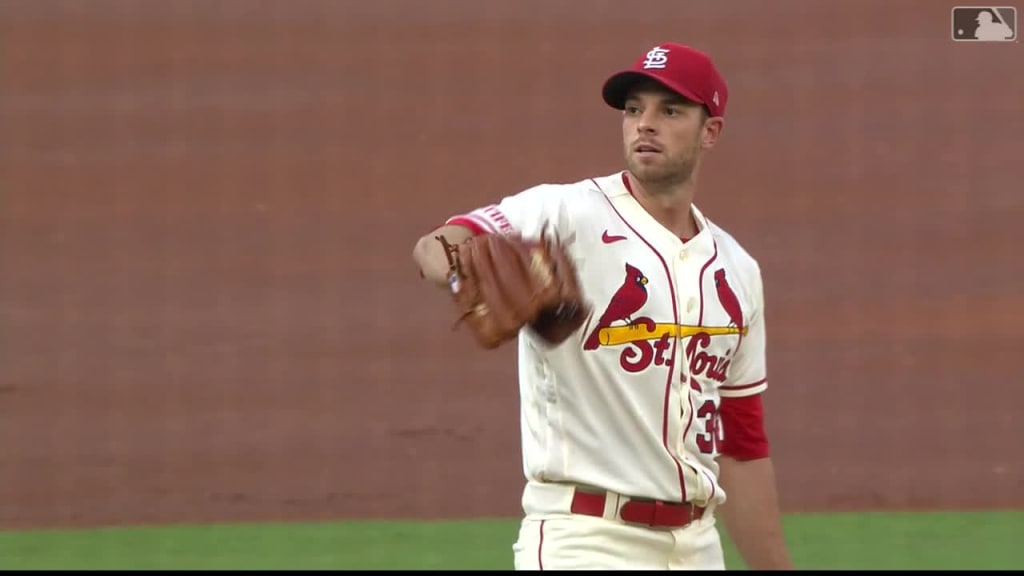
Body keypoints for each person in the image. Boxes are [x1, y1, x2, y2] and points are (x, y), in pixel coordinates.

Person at [412, 42, 793, 570]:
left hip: (698, 548)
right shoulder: (564, 213)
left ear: (711, 132)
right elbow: (436, 243)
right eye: (634, 110)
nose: (645, 125)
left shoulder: (737, 270)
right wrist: (460, 271)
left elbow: (741, 443)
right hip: (584, 541)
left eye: (670, 111)